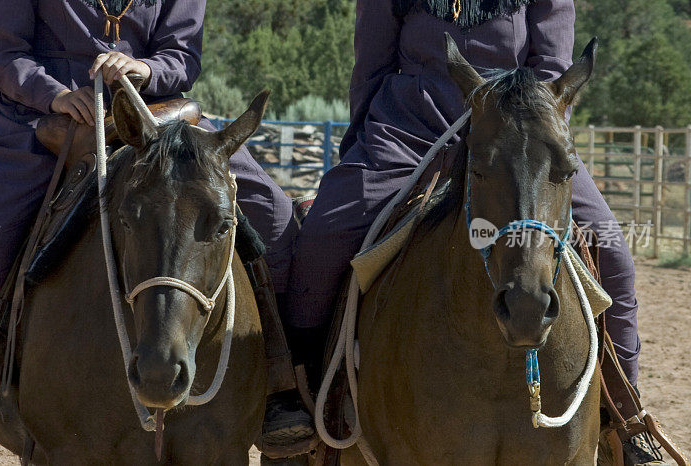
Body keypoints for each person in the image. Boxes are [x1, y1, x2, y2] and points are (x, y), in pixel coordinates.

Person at [0, 0, 304, 464]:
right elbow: (4, 52)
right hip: (46, 119)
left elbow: (182, 53)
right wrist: (53, 94)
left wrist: (145, 67)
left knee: (278, 219)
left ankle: (283, 384)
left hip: (159, 115)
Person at [280, 0, 661, 462]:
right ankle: (301, 398)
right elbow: (371, 70)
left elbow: (553, 67)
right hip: (410, 128)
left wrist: (517, 121)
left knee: (611, 247)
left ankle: (625, 415)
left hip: (518, 129)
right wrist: (364, 144)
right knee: (325, 234)